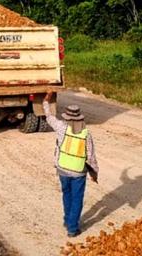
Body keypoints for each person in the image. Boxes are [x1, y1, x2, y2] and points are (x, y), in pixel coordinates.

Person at [43, 91, 99, 238]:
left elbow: (49, 116)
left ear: (66, 117)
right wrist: (94, 174)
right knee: (77, 198)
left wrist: (46, 100)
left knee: (67, 195)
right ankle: (72, 229)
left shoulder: (61, 127)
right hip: (78, 172)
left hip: (62, 169)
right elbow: (91, 156)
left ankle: (68, 221)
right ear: (80, 118)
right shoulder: (86, 134)